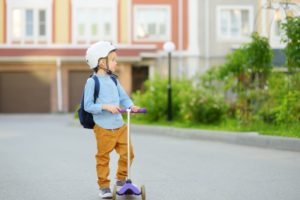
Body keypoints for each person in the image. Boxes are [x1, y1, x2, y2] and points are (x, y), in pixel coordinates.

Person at [84, 41, 139, 199]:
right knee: (103, 157)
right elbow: (88, 105)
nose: (116, 62)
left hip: (119, 125)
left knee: (128, 153)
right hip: (103, 127)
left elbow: (123, 97)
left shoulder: (114, 80)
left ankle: (121, 180)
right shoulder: (92, 82)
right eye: (113, 59)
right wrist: (106, 107)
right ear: (102, 62)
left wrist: (131, 106)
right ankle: (104, 186)